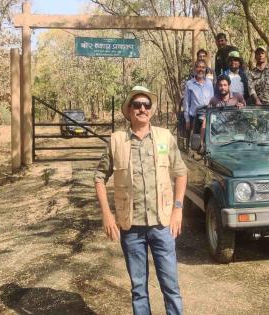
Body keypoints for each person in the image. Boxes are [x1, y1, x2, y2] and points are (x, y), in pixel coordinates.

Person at [94, 86, 188, 315]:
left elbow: (181, 172)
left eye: (146, 105)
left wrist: (178, 209)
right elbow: (98, 177)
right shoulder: (116, 141)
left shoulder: (165, 137)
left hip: (162, 225)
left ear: (151, 110)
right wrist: (107, 214)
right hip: (131, 227)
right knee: (138, 289)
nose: (142, 108)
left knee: (171, 286)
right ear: (129, 110)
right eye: (137, 105)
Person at [200, 75, 245, 150]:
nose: (222, 88)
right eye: (220, 85)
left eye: (225, 85)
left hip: (237, 134)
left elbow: (246, 113)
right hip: (220, 136)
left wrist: (241, 106)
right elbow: (206, 120)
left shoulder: (237, 97)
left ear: (229, 86)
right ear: (217, 86)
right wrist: (201, 142)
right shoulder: (214, 100)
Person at [183, 60, 214, 131]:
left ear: (205, 69)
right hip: (194, 118)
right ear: (195, 69)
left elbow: (212, 100)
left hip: (207, 117)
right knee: (194, 140)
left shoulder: (209, 83)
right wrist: (187, 120)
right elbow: (186, 103)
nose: (201, 69)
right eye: (199, 67)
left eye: (203, 67)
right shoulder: (189, 84)